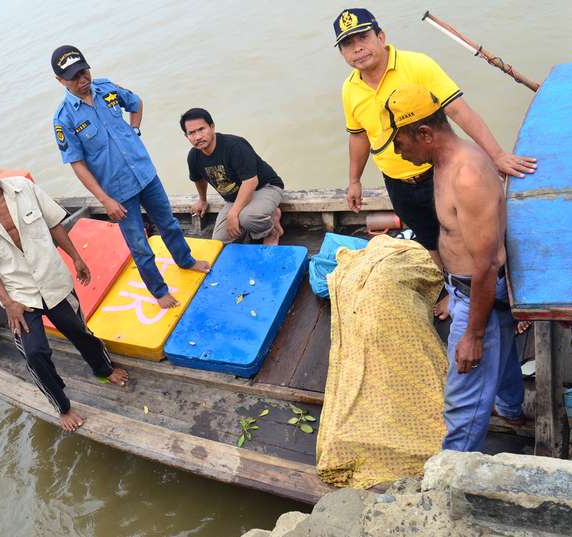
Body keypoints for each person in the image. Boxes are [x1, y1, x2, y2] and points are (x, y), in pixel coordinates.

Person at [333, 8, 535, 280]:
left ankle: (504, 287)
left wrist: (497, 155)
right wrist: (354, 180)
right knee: (430, 239)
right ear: (342, 53)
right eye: (348, 44)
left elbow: (459, 110)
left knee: (475, 234)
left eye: (363, 38)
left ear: (381, 37)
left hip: (440, 171)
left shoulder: (417, 65)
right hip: (397, 181)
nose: (357, 48)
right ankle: (450, 287)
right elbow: (358, 135)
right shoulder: (350, 88)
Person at [0, 134, 128, 433]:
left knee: (79, 331)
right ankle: (62, 405)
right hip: (20, 298)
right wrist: (9, 304)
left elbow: (54, 223)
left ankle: (103, 368)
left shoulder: (24, 188)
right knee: (34, 354)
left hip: (53, 280)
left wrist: (77, 258)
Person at [382, 84, 525, 451]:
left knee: (462, 400)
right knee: (506, 358)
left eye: (400, 143)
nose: (398, 152)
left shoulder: (467, 176)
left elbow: (488, 263)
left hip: (477, 294)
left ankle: (451, 480)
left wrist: (472, 335)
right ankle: (511, 409)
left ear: (425, 133)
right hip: (470, 287)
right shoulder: (444, 162)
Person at [50, 45, 210, 309]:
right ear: (60, 81)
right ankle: (159, 292)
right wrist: (105, 200)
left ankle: (186, 260)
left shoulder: (107, 89)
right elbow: (77, 164)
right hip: (117, 192)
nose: (82, 79)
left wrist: (134, 130)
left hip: (145, 174)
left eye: (84, 71)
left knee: (169, 223)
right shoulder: (63, 119)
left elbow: (135, 103)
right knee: (139, 245)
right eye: (74, 77)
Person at [179, 108, 286, 245]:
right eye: (192, 133)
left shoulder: (234, 146)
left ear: (212, 127)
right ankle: (264, 215)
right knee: (219, 242)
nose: (198, 136)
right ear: (186, 136)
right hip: (234, 198)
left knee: (248, 217)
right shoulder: (194, 157)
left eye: (201, 129)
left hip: (265, 187)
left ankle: (272, 230)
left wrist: (234, 213)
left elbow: (251, 182)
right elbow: (198, 179)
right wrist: (202, 200)